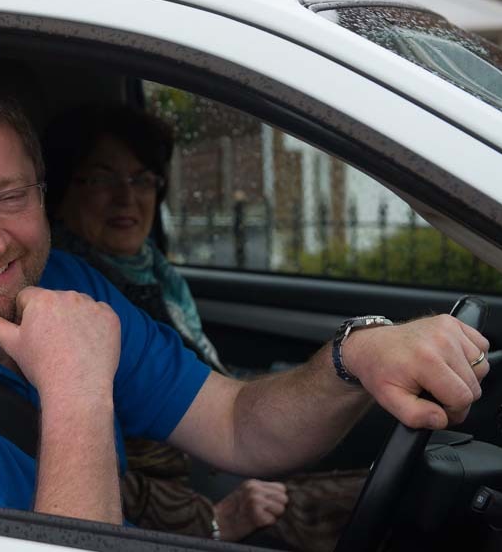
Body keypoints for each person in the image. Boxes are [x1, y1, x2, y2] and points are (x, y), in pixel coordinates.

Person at [0, 69, 489, 534]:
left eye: (12, 196)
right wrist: (76, 390)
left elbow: (237, 427)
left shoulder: (65, 289)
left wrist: (355, 353)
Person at [43, 105, 357, 546]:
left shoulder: (155, 278)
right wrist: (209, 518)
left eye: (141, 178)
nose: (126, 197)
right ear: (59, 191)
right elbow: (93, 467)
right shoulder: (68, 304)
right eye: (101, 178)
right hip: (180, 505)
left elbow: (214, 396)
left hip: (212, 464)